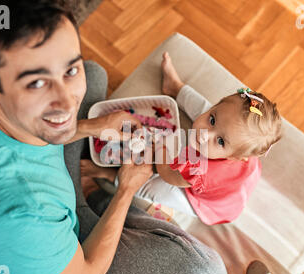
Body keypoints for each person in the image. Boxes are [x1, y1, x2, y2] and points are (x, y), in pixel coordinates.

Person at [0, 0, 227, 274]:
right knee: (206, 272)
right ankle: (96, 197)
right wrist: (125, 190)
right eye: (37, 83)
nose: (67, 102)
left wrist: (92, 127)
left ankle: (89, 197)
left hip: (38, 225)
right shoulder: (19, 214)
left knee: (93, 74)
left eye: (69, 70)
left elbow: (59, 113)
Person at [81, 52, 283, 225]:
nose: (203, 135)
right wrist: (216, 129)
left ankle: (108, 176)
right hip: (238, 179)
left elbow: (168, 174)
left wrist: (158, 147)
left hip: (207, 202)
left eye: (220, 141)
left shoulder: (198, 169)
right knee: (209, 113)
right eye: (212, 119)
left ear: (236, 157)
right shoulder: (232, 137)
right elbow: (217, 123)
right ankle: (175, 88)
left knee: (153, 189)